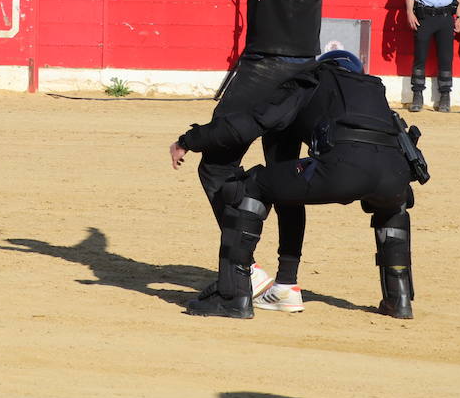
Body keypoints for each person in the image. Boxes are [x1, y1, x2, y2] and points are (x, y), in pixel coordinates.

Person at [178, 0, 389, 314]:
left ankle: (242, 269)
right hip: (304, 73)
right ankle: (288, 285)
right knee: (286, 171)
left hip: (263, 70)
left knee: (215, 163)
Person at [176, 49, 424, 319]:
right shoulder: (375, 91)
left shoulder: (312, 79)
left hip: (341, 170)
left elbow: (252, 123)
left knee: (250, 185)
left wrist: (192, 140)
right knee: (393, 208)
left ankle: (235, 294)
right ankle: (398, 300)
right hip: (394, 176)